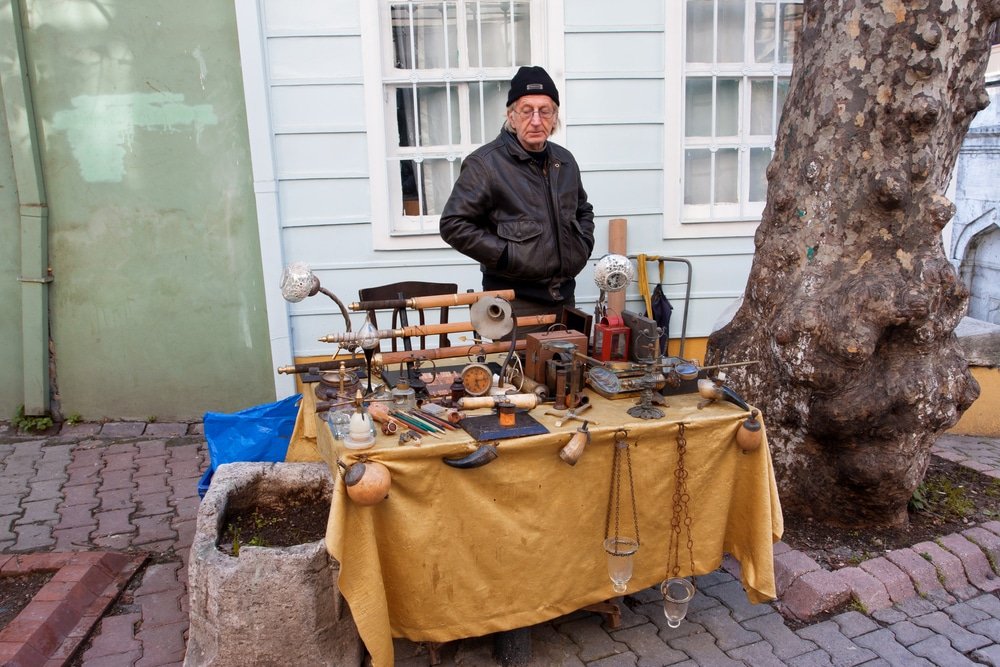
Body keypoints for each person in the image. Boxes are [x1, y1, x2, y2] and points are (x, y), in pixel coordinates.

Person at [439, 65, 595, 335]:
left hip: (564, 297)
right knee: (519, 376)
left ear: (555, 117)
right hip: (514, 301)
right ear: (511, 116)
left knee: (566, 371)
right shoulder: (485, 164)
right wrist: (506, 255)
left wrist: (582, 245)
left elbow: (583, 210)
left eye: (545, 111)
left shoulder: (565, 161)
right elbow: (453, 224)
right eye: (526, 110)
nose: (536, 120)